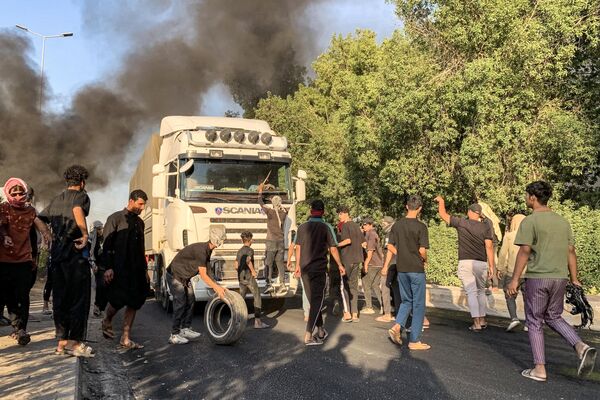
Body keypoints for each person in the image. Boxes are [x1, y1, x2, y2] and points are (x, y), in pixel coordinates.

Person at [508, 181, 597, 381]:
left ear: (532, 197)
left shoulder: (530, 221)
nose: (525, 198)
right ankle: (580, 347)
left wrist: (514, 280)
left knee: (534, 320)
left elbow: (524, 251)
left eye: (526, 195)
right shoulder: (563, 222)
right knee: (554, 316)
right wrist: (575, 279)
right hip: (560, 278)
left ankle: (539, 369)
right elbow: (571, 251)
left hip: (538, 279)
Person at [39, 165, 95, 357]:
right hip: (75, 253)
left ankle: (61, 343)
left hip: (57, 256)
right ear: (82, 182)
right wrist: (85, 234)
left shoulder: (56, 199)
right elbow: (78, 209)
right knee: (79, 298)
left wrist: (46, 233)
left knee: (61, 298)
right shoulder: (81, 196)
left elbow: (37, 218)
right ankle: (75, 344)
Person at [0, 178, 51, 345]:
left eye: (20, 193)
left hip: (23, 261)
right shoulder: (4, 208)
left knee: (23, 296)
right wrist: (5, 236)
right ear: (8, 193)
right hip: (4, 261)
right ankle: (16, 326)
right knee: (6, 295)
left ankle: (21, 329)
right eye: (14, 193)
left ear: (25, 193)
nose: (17, 196)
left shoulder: (30, 211)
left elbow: (39, 224)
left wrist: (46, 235)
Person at [435, 196, 495, 331]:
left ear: (469, 212)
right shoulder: (485, 227)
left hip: (465, 262)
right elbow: (489, 247)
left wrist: (441, 202)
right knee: (480, 291)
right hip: (481, 263)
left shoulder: (461, 222)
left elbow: (443, 215)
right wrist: (492, 266)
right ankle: (482, 319)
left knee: (471, 292)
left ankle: (476, 323)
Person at [100, 190, 149, 350]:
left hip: (137, 269)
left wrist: (145, 270)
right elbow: (106, 245)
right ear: (131, 201)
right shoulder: (115, 218)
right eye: (140, 204)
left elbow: (141, 248)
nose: (142, 207)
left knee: (134, 302)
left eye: (144, 204)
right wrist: (108, 267)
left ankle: (125, 338)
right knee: (118, 300)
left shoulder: (140, 223)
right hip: (119, 268)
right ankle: (107, 319)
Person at [294, 199, 345, 345]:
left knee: (313, 300)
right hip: (319, 269)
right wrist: (340, 264)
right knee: (317, 301)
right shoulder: (326, 226)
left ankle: (321, 330)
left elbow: (298, 247)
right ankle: (309, 335)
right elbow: (333, 248)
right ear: (322, 212)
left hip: (304, 268)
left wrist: (297, 265)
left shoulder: (302, 227)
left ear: (311, 211)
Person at [166, 226, 227, 344]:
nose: (223, 241)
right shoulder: (201, 250)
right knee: (181, 302)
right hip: (175, 275)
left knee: (191, 299)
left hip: (184, 277)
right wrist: (216, 288)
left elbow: (208, 272)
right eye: (222, 238)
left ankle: (185, 329)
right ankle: (174, 335)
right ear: (217, 239)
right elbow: (203, 275)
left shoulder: (207, 250)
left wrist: (218, 286)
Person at [385, 195, 431, 350]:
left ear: (406, 206)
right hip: (416, 268)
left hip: (402, 268)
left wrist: (401, 252)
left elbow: (389, 246)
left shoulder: (397, 225)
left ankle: (397, 326)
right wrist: (425, 259)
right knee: (418, 304)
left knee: (406, 301)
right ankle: (414, 341)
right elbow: (422, 250)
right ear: (420, 208)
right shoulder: (421, 227)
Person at [497, 213, 527, 332]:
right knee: (528, 298)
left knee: (509, 295)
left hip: (512, 272)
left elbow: (503, 253)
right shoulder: (531, 236)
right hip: (528, 272)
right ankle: (529, 322)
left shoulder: (509, 236)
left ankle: (514, 318)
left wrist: (500, 268)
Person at [258, 182, 288, 295]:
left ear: (273, 204)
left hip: (271, 242)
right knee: (279, 263)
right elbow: (283, 208)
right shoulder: (284, 214)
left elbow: (260, 203)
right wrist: (275, 201)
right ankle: (282, 284)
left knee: (268, 263)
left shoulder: (270, 212)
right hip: (281, 242)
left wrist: (260, 191)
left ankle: (268, 284)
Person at [235, 231, 270, 329]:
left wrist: (241, 274)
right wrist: (253, 271)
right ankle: (257, 322)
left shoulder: (239, 251)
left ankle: (234, 319)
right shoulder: (250, 250)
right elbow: (248, 261)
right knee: (257, 296)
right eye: (252, 239)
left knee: (241, 299)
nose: (253, 240)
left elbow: (236, 265)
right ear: (250, 240)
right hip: (249, 277)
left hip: (241, 278)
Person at [336, 206, 365, 322]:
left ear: (345, 213)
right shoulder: (357, 226)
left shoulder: (346, 225)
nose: (339, 217)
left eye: (340, 214)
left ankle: (347, 313)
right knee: (354, 287)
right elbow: (364, 243)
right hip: (357, 259)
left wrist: (335, 245)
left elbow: (348, 240)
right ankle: (355, 314)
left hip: (347, 259)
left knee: (344, 287)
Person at [360, 218, 383, 315]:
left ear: (370, 225)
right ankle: (384, 305)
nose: (363, 226)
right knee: (375, 285)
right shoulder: (374, 234)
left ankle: (369, 307)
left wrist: (365, 264)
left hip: (372, 264)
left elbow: (370, 251)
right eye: (362, 225)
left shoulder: (371, 234)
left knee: (366, 284)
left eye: (365, 225)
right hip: (379, 264)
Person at [378, 216, 397, 323]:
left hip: (390, 264)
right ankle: (397, 312)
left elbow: (388, 249)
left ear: (387, 223)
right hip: (397, 263)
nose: (382, 225)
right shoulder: (398, 232)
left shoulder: (389, 234)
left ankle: (387, 314)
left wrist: (385, 266)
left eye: (383, 223)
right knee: (395, 288)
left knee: (384, 287)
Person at [89, 221, 106, 317]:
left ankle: (102, 307)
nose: (101, 230)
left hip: (104, 266)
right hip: (97, 266)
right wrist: (93, 264)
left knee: (105, 288)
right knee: (100, 287)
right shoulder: (90, 239)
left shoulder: (103, 239)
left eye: (101, 228)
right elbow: (89, 253)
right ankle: (97, 307)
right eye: (99, 229)